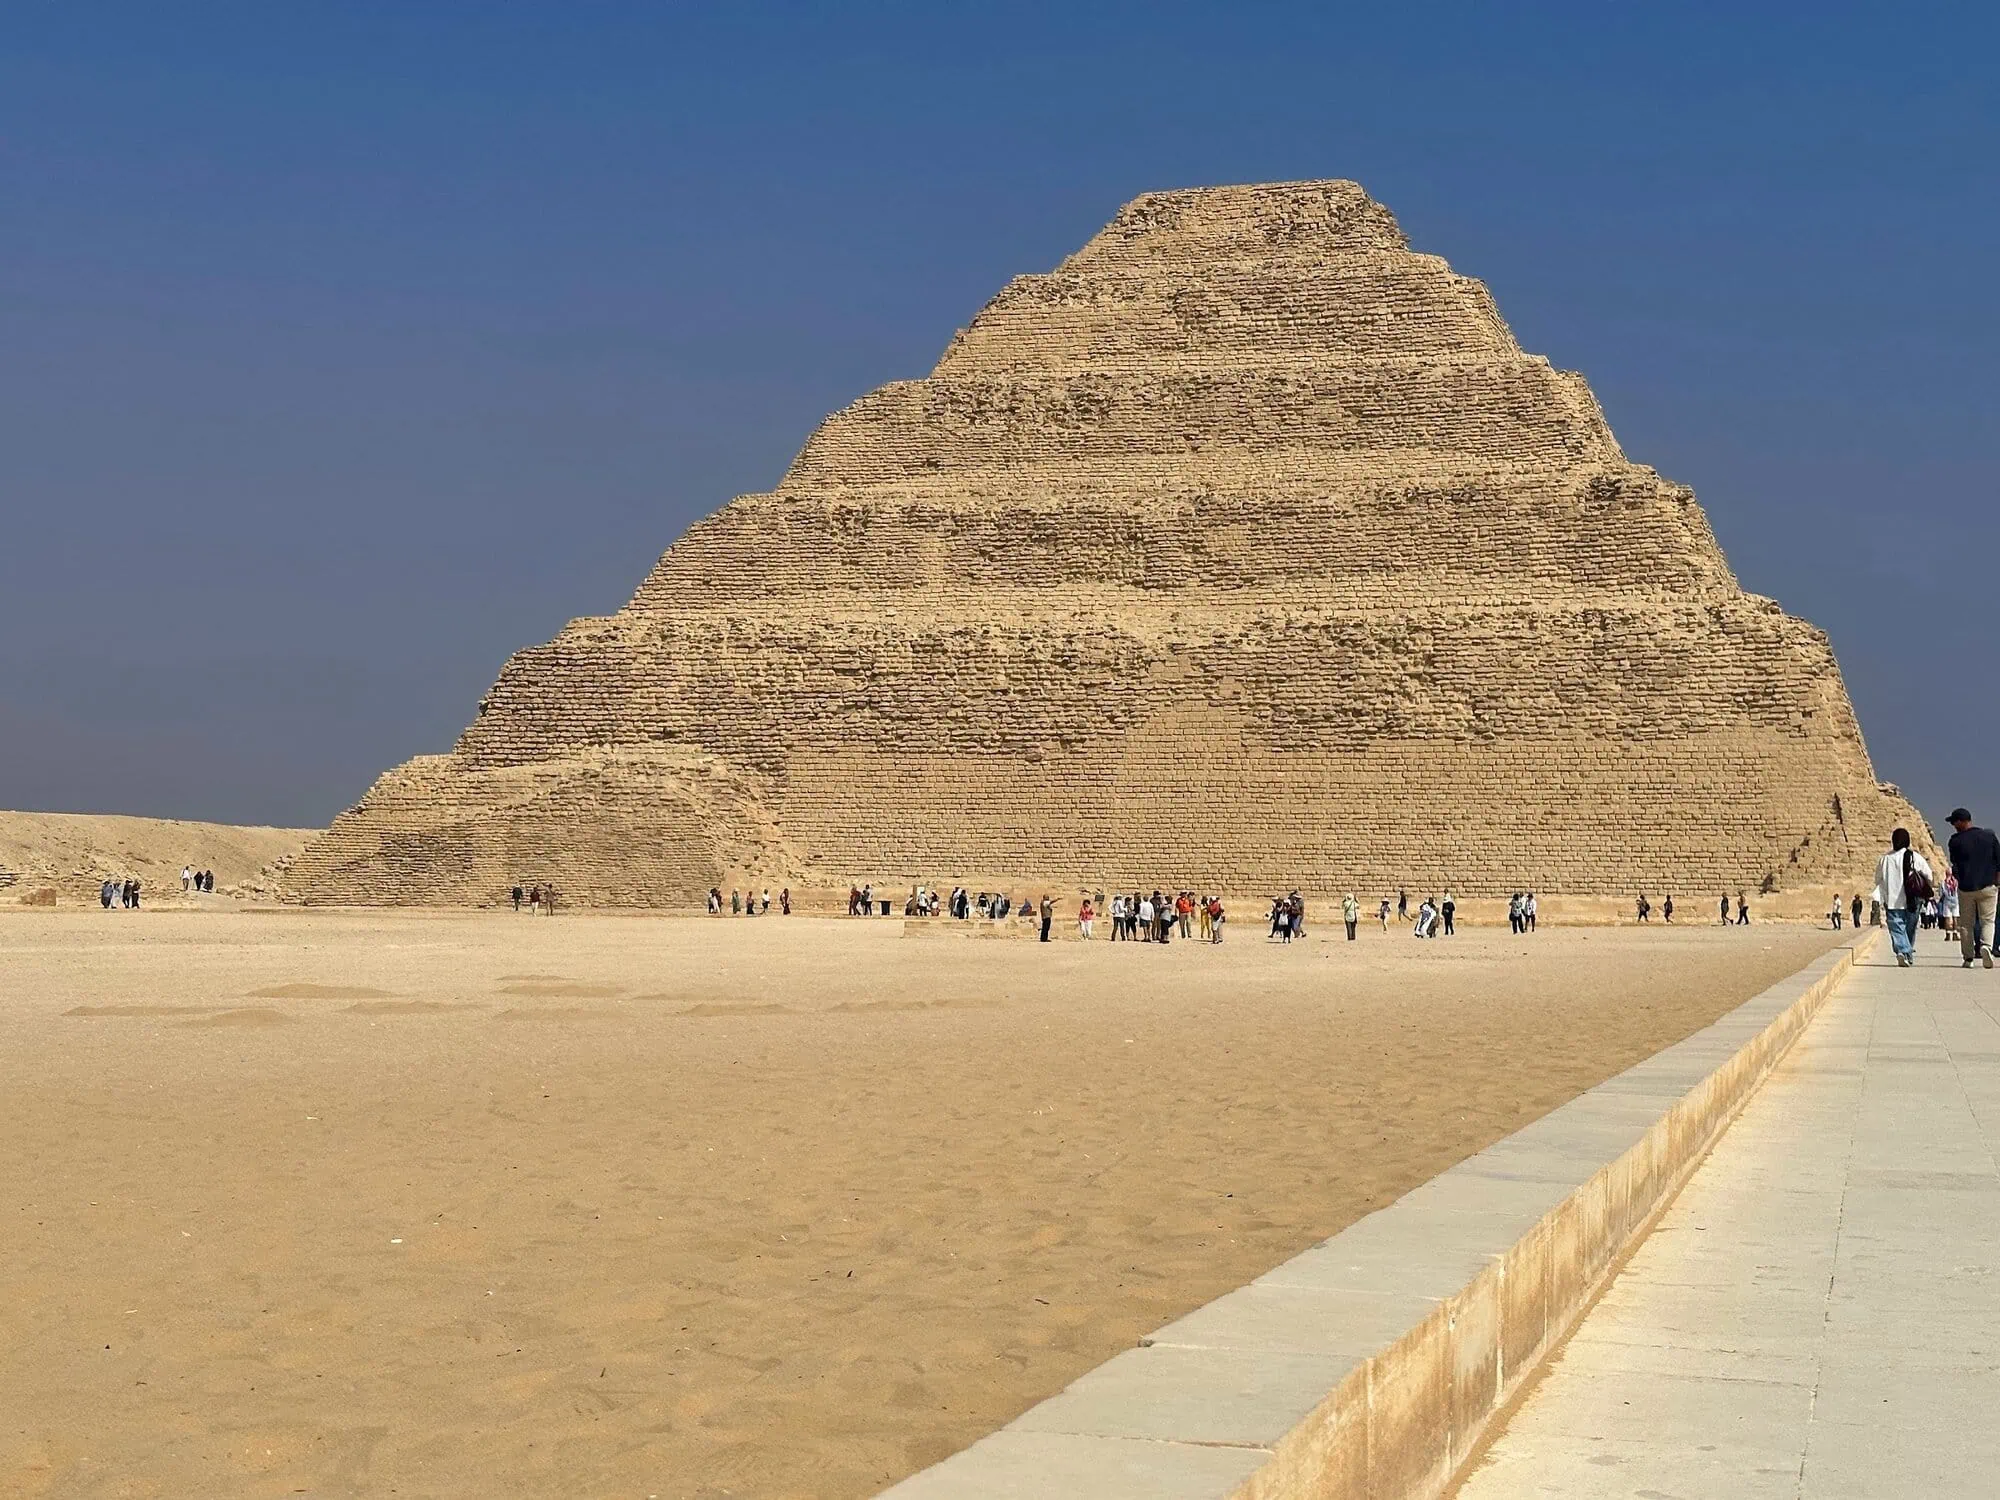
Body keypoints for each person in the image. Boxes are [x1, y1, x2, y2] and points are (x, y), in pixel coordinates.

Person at [1946, 808, 2000, 968]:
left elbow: (1955, 864)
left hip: (1966, 888)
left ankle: (1968, 958)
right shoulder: (1989, 837)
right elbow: (1999, 861)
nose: (1953, 826)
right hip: (1988, 886)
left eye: (1954, 822)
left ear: (1961, 821)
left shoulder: (1955, 841)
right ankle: (1986, 946)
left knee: (1966, 924)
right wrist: (1996, 882)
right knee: (1988, 921)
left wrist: (1959, 878)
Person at [1875, 827, 1934, 967]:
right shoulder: (1915, 857)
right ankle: (1906, 952)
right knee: (1910, 928)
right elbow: (1929, 875)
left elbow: (1877, 879)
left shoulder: (1885, 859)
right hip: (1913, 899)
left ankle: (1903, 951)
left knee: (1897, 928)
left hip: (1892, 900)